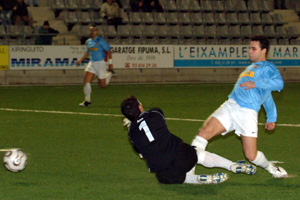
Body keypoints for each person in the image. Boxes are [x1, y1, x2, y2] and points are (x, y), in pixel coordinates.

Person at [191, 36, 288, 178]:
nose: (250, 51)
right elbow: (266, 95)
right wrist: (271, 116)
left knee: (251, 156)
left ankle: (271, 168)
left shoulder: (268, 67)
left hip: (247, 112)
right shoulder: (251, 67)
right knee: (203, 133)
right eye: (249, 48)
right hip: (230, 106)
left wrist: (256, 85)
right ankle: (188, 171)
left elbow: (279, 84)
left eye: (254, 48)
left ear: (264, 51)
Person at [121, 96, 256, 184]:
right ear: (139, 107)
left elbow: (141, 153)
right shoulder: (154, 114)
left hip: (167, 174)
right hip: (183, 158)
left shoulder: (131, 134)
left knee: (166, 175)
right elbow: (156, 115)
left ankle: (196, 179)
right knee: (196, 153)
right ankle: (231, 165)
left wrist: (132, 123)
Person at [75, 25, 115, 107]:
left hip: (100, 64)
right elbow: (88, 52)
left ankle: (110, 73)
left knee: (102, 85)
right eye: (91, 30)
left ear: (97, 31)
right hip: (92, 63)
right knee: (86, 81)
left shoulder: (101, 41)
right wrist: (81, 60)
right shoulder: (88, 41)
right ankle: (87, 101)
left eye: (94, 30)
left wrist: (110, 63)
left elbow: (109, 50)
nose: (93, 32)